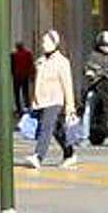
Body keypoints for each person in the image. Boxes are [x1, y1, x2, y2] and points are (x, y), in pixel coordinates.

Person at [25, 29, 77, 170]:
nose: (43, 44)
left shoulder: (62, 62)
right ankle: (69, 153)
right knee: (56, 130)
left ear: (55, 43)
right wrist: (33, 102)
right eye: (43, 41)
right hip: (41, 101)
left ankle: (38, 156)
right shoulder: (40, 61)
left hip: (55, 100)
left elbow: (67, 84)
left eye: (47, 41)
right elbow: (36, 83)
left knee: (46, 127)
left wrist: (70, 106)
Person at [11, 41, 34, 115]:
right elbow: (31, 64)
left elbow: (12, 66)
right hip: (25, 75)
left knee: (17, 93)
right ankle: (27, 107)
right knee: (25, 92)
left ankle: (19, 109)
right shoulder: (28, 54)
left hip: (17, 75)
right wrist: (31, 74)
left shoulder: (15, 55)